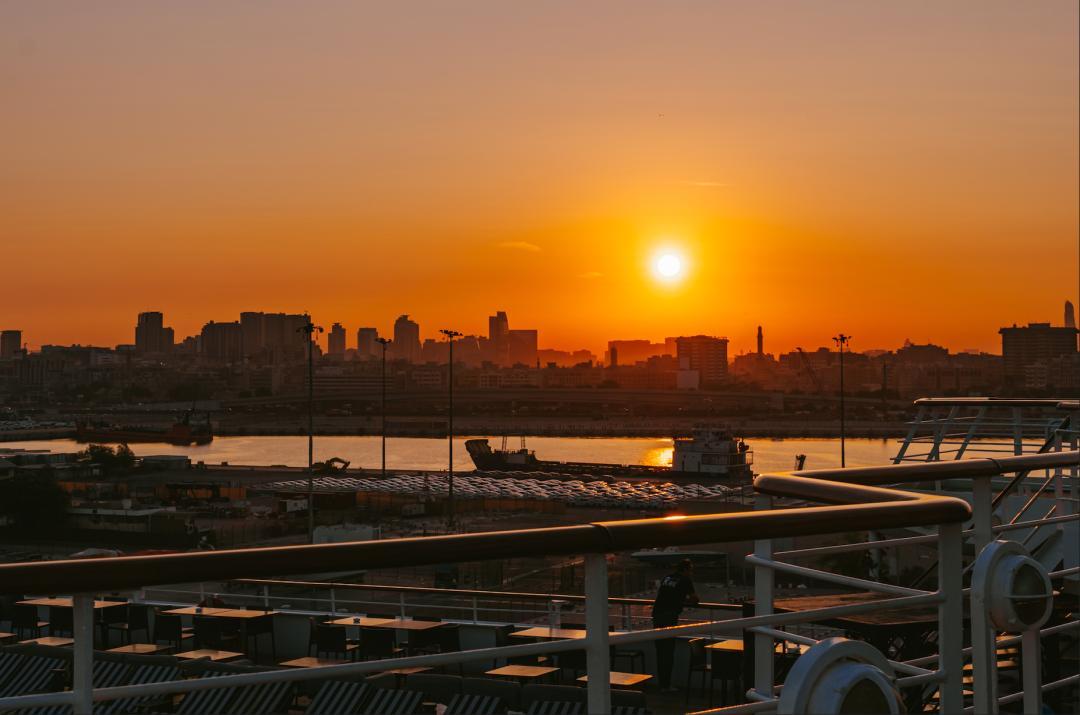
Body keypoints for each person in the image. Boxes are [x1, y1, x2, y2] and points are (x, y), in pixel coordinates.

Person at [652, 558, 699, 692]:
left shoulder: (667, 577)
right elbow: (695, 599)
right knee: (668, 650)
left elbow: (665, 594)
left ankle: (662, 684)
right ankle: (666, 686)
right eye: (690, 570)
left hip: (657, 615)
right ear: (685, 570)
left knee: (661, 650)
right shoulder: (685, 580)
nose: (691, 573)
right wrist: (683, 601)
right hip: (669, 616)